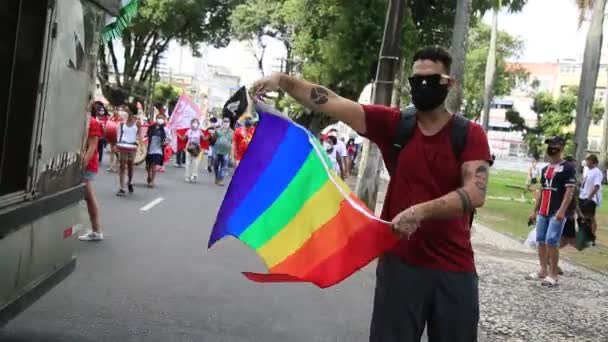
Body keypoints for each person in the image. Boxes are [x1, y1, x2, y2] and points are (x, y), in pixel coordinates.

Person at [252, 46, 491, 342]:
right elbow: (331, 101)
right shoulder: (395, 125)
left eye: (432, 80)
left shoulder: (469, 134)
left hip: (454, 269)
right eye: (417, 81)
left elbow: (475, 192)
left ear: (449, 84)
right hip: (400, 266)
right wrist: (281, 80)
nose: (423, 87)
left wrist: (420, 211)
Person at [527, 136, 575, 287]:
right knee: (540, 240)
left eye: (554, 144)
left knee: (552, 241)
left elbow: (569, 191)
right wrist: (535, 210)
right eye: (549, 144)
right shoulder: (545, 169)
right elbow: (542, 191)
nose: (551, 147)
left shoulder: (568, 167)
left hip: (556, 212)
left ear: (561, 147)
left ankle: (553, 274)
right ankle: (542, 270)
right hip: (543, 211)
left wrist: (562, 211)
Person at [79, 103, 105, 241]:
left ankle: (96, 231)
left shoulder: (93, 123)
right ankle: (96, 230)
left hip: (88, 165)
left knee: (89, 197)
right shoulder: (82, 121)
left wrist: (81, 165)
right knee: (87, 197)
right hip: (83, 163)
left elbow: (92, 147)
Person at [115, 104, 142, 196]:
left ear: (132, 111)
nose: (125, 112)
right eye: (125, 111)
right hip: (123, 146)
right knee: (122, 166)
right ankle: (122, 188)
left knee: (130, 167)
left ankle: (129, 182)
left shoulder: (137, 123)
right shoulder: (122, 123)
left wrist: (141, 147)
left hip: (132, 148)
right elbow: (118, 136)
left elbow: (140, 136)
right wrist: (116, 146)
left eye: (127, 110)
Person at [579, 154, 602, 246]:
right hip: (582, 196)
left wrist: (590, 197)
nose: (586, 162)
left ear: (593, 162)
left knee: (591, 218)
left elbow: (596, 186)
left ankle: (592, 238)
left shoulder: (597, 172)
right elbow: (584, 182)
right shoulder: (588, 171)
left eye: (588, 160)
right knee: (582, 217)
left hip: (591, 198)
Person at [146, 113, 171, 188]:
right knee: (148, 166)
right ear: (156, 119)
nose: (160, 119)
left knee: (154, 165)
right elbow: (146, 136)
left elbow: (169, 139)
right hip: (150, 149)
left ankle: (152, 181)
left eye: (162, 118)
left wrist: (165, 142)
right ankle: (149, 175)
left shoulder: (165, 129)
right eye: (159, 117)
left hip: (158, 150)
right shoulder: (151, 127)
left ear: (164, 120)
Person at [213, 117, 234, 186]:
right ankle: (217, 177)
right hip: (217, 150)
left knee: (224, 166)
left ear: (229, 123)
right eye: (224, 122)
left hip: (226, 151)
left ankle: (221, 179)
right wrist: (216, 131)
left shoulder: (231, 131)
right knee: (216, 164)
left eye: (227, 122)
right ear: (222, 123)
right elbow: (214, 138)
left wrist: (221, 130)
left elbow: (229, 138)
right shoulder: (218, 130)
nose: (226, 123)